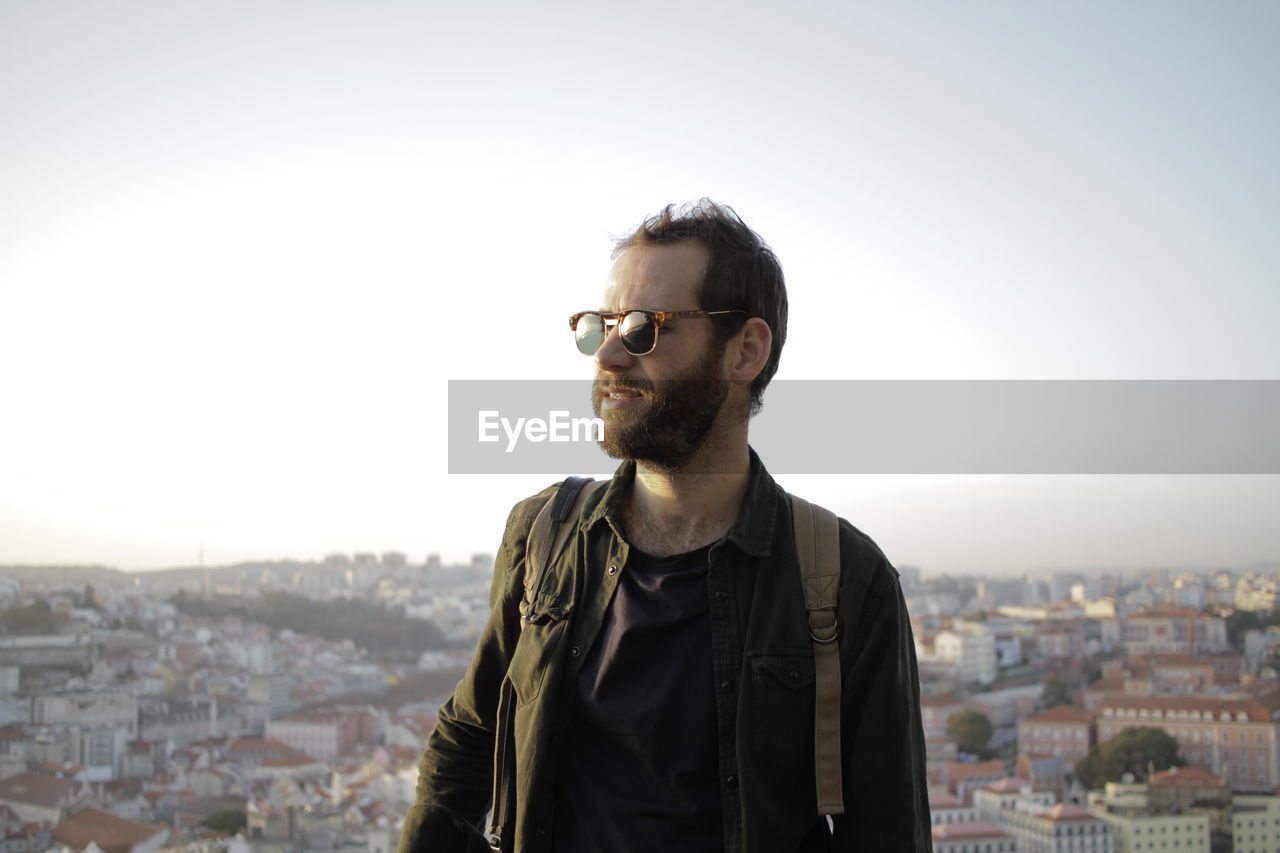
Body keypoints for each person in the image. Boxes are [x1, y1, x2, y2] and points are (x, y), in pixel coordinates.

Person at [398, 200, 931, 852]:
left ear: (745, 351)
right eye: (599, 326)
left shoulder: (846, 580)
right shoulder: (544, 534)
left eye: (645, 328)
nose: (610, 355)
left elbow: (885, 834)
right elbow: (472, 733)